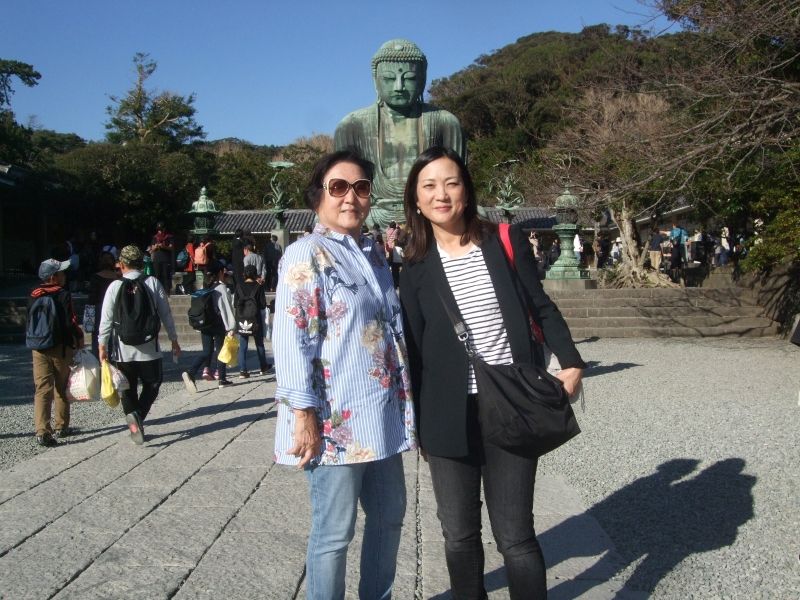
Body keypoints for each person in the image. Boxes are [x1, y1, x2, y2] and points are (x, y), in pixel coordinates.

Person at [399, 147, 585, 599]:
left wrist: (572, 362)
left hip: (511, 401)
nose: (441, 194)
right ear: (417, 200)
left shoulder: (503, 240)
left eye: (451, 182)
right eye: (429, 186)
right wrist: (418, 423)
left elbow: (540, 303)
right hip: (446, 410)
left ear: (466, 190)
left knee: (515, 535)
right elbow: (415, 349)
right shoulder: (415, 265)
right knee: (459, 535)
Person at [273, 150, 416, 600]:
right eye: (339, 187)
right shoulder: (305, 254)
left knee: (390, 516)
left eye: (361, 187)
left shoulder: (373, 254)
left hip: (382, 415)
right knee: (335, 532)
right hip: (334, 420)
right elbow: (292, 340)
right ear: (318, 196)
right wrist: (303, 414)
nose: (350, 197)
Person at [334, 38, 466, 229]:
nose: (399, 86)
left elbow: (458, 184)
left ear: (423, 79)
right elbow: (343, 189)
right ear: (375, 81)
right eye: (388, 78)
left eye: (410, 78)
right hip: (376, 212)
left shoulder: (444, 122)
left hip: (429, 209)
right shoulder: (352, 125)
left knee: (477, 214)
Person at [98, 245, 181, 445]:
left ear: (122, 264)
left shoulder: (114, 286)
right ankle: (139, 416)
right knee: (153, 384)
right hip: (149, 348)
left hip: (122, 349)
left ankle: (133, 419)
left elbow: (106, 319)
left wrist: (102, 345)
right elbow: (165, 313)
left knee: (127, 388)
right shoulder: (152, 282)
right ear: (141, 264)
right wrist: (173, 339)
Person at [27, 258, 84, 446]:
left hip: (38, 347)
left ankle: (42, 430)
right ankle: (61, 425)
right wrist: (78, 339)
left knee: (42, 389)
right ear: (53, 277)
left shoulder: (34, 294)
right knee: (61, 387)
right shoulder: (62, 294)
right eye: (61, 272)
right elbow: (70, 322)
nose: (64, 275)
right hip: (60, 348)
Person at [182, 260, 237, 392]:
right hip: (217, 324)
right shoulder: (221, 288)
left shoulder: (205, 286)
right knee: (221, 351)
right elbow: (226, 308)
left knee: (206, 351)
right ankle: (222, 379)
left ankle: (191, 372)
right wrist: (231, 327)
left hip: (205, 324)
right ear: (220, 272)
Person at [233, 264, 274, 379]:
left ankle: (243, 370)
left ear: (244, 274)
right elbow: (262, 305)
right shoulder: (258, 287)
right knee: (259, 343)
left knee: (243, 344)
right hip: (255, 319)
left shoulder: (238, 286)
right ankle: (263, 366)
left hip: (242, 319)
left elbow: (236, 304)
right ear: (255, 274)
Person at [87, 251, 120, 357]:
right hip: (116, 309)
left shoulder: (95, 277)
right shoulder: (118, 277)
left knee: (98, 337)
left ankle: (99, 361)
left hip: (98, 310)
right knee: (115, 339)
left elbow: (91, 298)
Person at [150, 222, 175, 295]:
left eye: (161, 229)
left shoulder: (169, 237)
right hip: (157, 259)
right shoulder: (155, 237)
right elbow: (151, 249)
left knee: (166, 275)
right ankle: (157, 291)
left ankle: (167, 291)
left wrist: (164, 247)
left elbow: (171, 247)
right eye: (158, 229)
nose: (159, 231)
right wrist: (156, 246)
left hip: (165, 259)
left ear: (164, 229)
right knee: (157, 275)